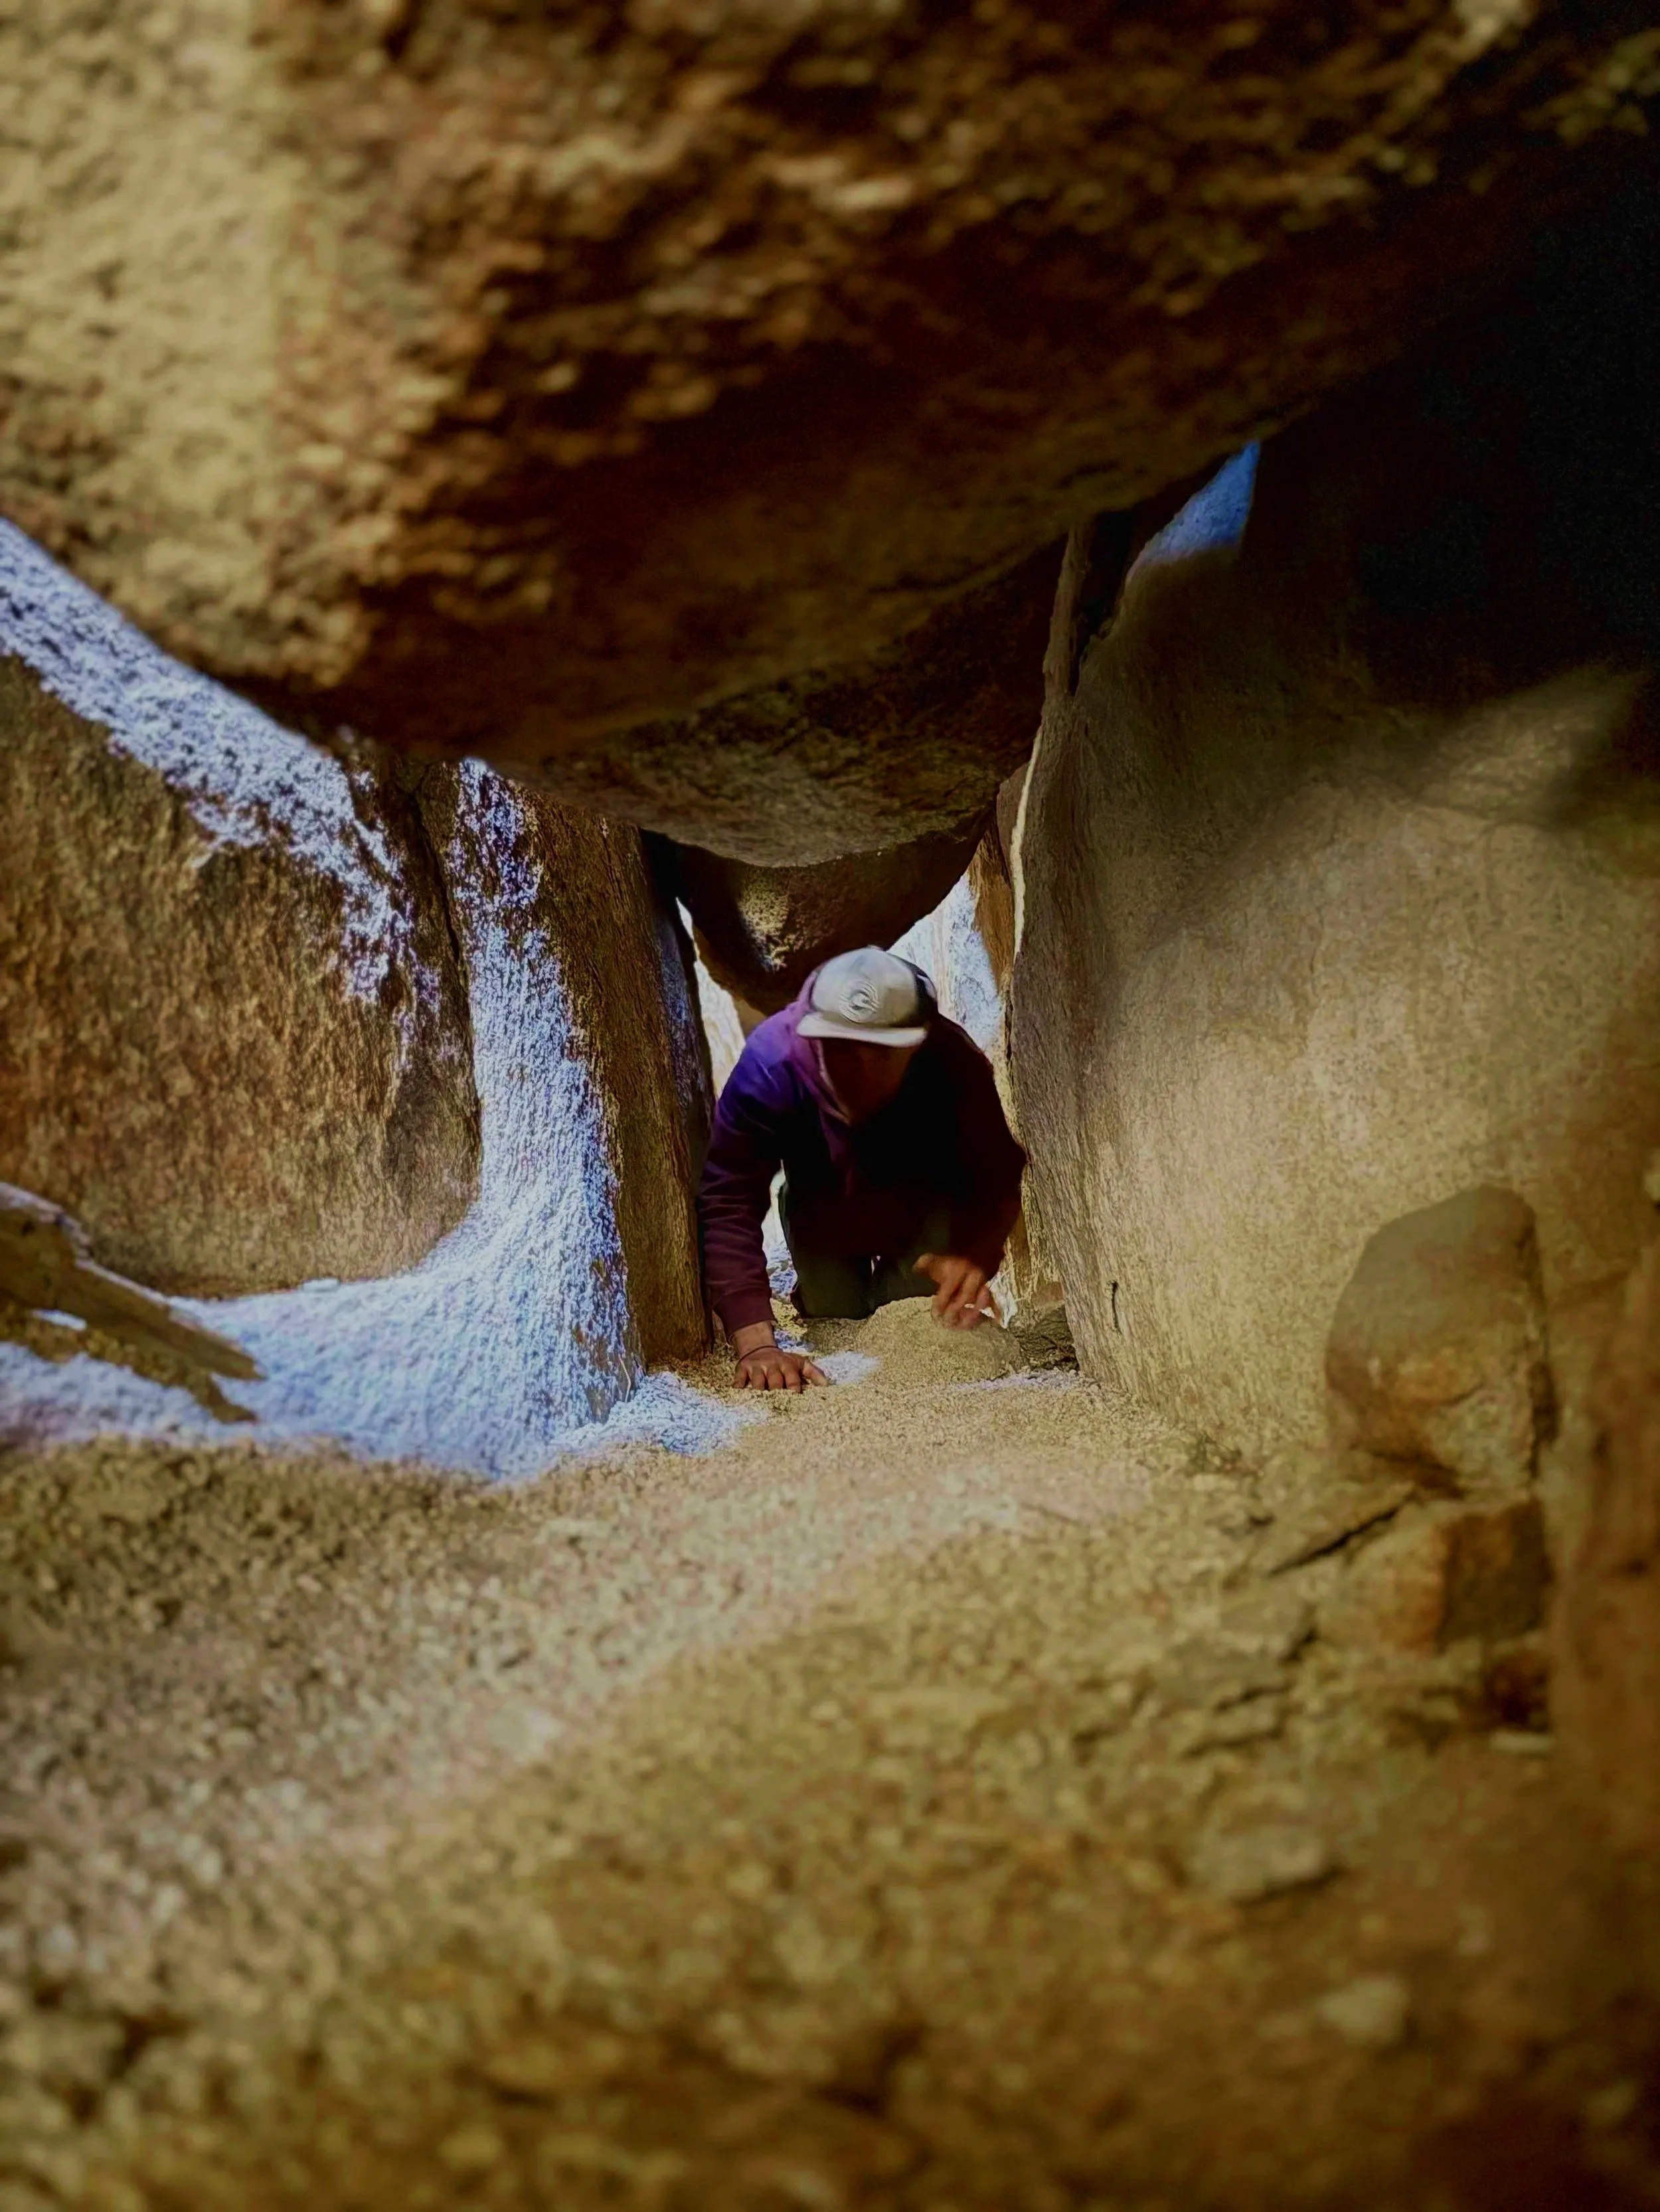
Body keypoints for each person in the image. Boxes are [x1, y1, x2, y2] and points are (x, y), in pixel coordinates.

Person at [699, 945, 1027, 1392]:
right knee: (834, 1310)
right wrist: (756, 1343)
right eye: (843, 1051)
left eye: (882, 1054)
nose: (862, 1070)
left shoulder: (952, 1059)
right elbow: (729, 1198)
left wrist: (974, 1254)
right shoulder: (769, 1068)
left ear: (916, 1045)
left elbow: (996, 1169)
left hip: (921, 1201)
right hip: (821, 1208)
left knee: (918, 1312)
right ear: (814, 1038)